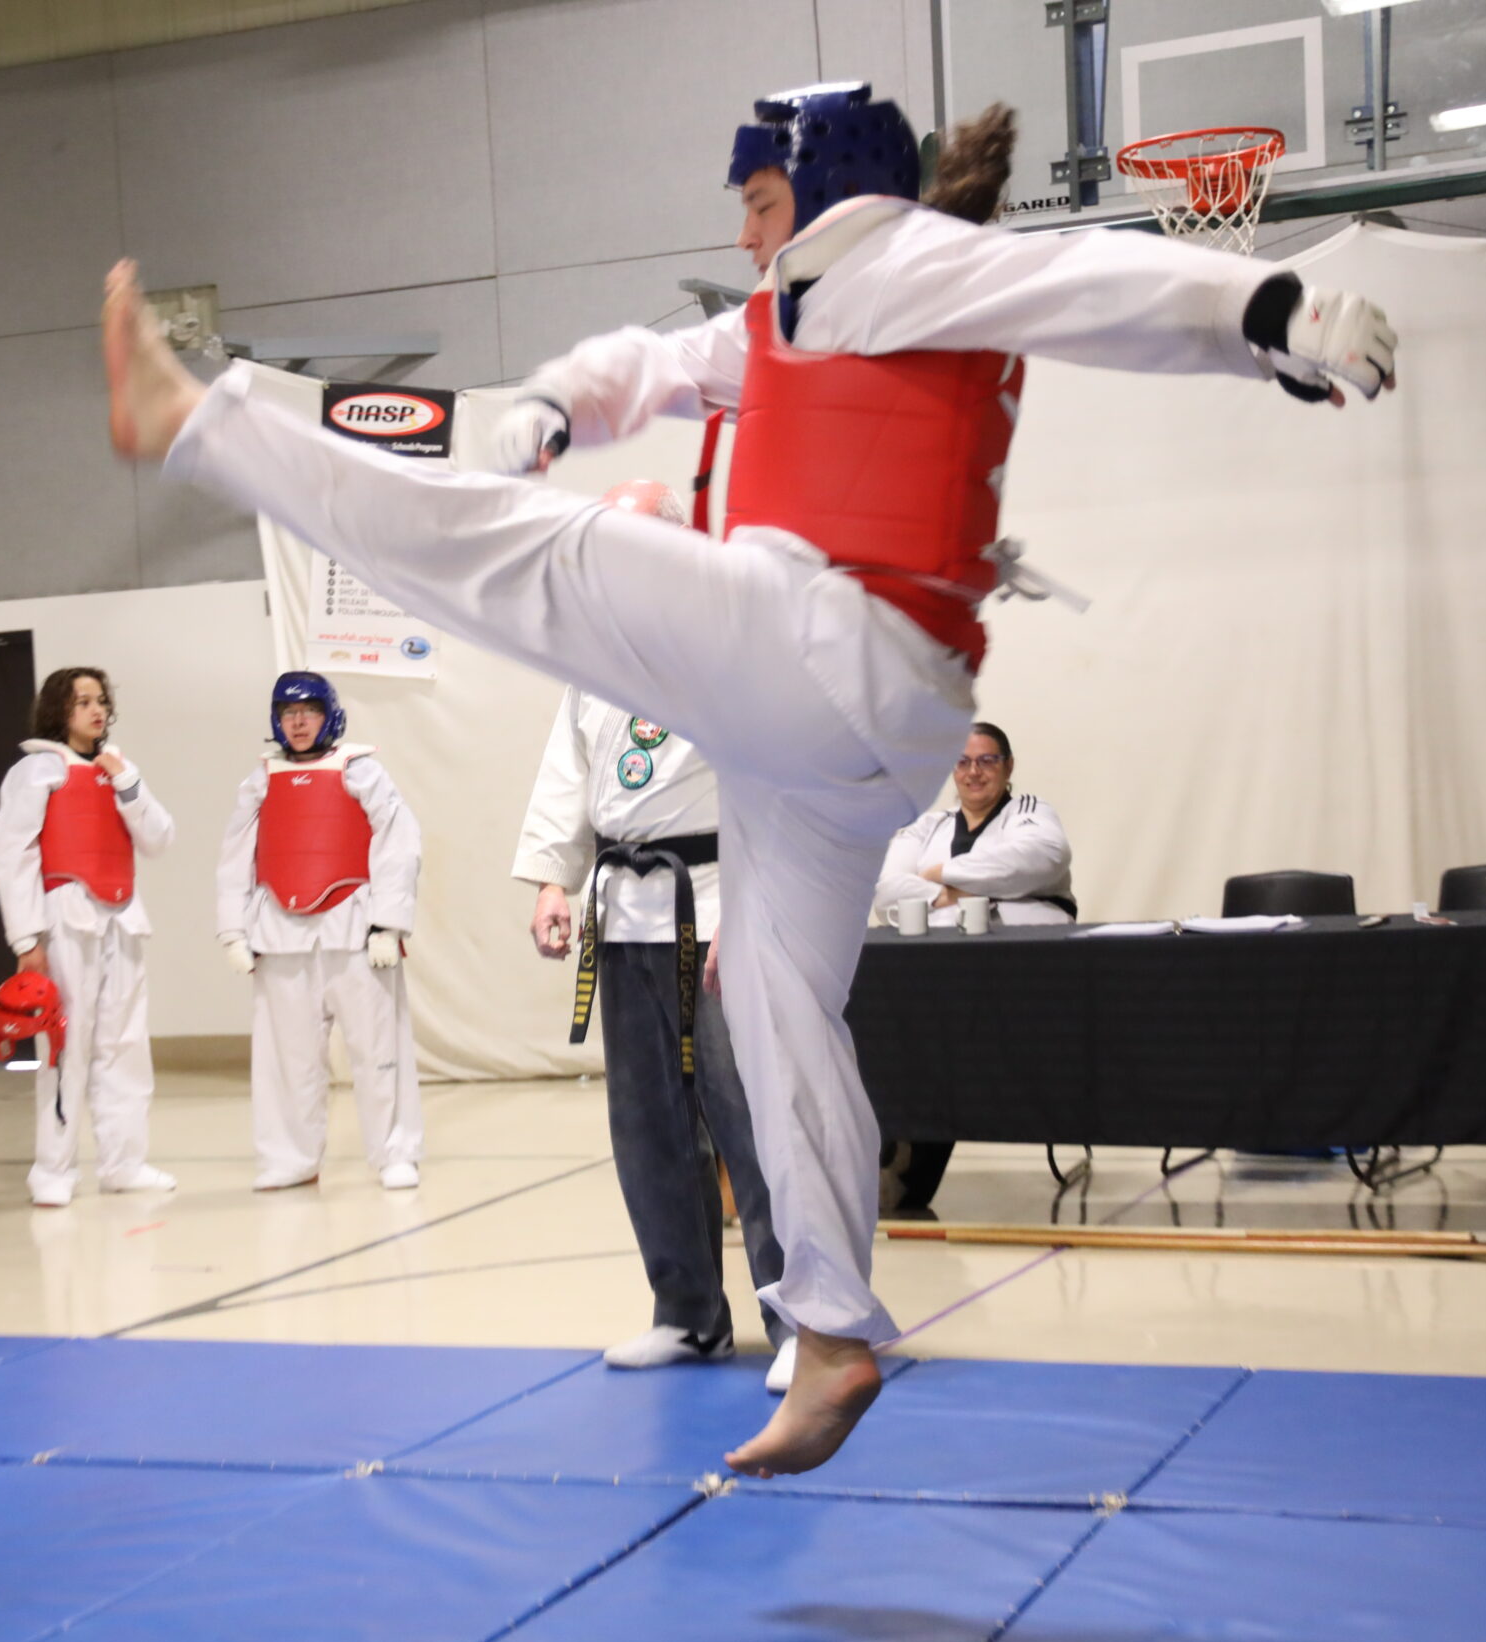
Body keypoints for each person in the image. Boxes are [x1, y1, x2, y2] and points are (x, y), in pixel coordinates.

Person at [100, 80, 1396, 1477]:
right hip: (857, 732)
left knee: (543, 557)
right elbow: (651, 364)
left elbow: (1084, 277)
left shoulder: (901, 257)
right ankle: (831, 1329)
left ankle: (201, 424)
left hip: (830, 641)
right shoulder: (801, 309)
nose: (745, 224)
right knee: (774, 997)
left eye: (761, 199)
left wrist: (1272, 315)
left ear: (836, 187)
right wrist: (546, 401)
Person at [514, 479, 791, 1388]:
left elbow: (777, 782)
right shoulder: (594, 655)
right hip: (625, 907)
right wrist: (555, 878)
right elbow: (571, 777)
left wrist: (752, 909)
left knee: (749, 1117)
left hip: (716, 902)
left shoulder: (733, 639)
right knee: (647, 1125)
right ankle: (688, 1314)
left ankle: (804, 1321)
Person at [218, 672, 425, 1191]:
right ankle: (290, 1157)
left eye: (308, 710)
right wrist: (232, 932)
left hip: (354, 929)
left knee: (379, 1049)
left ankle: (395, 1152)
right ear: (276, 721)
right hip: (280, 934)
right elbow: (235, 857)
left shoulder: (362, 772)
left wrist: (388, 922)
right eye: (289, 713)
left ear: (328, 713)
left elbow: (399, 845)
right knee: (286, 1058)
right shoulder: (260, 780)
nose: (300, 721)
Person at [0, 667, 179, 1208]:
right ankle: (52, 1168)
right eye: (82, 702)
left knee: (125, 1046)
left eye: (100, 701)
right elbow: (14, 856)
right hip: (65, 915)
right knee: (65, 1046)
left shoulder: (120, 768)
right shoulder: (36, 771)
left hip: (122, 918)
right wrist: (26, 938)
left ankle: (125, 1163)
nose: (95, 711)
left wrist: (126, 782)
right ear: (59, 710)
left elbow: (160, 838)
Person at [872, 722, 1074, 927]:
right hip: (936, 950)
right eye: (962, 761)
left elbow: (1043, 856)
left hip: (1024, 949)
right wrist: (954, 894)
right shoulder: (925, 827)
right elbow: (885, 892)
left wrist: (940, 873)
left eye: (987, 761)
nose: (974, 771)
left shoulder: (1028, 809)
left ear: (1008, 766)